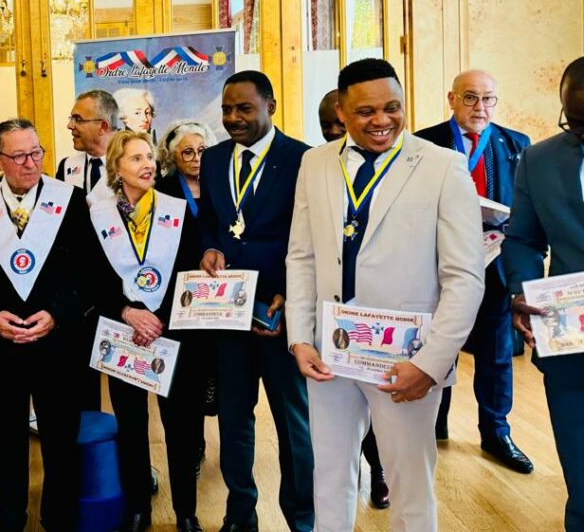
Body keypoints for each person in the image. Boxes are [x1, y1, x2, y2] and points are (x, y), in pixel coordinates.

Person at [286, 58, 484, 532]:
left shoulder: (443, 166)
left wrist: (431, 363)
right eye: (366, 112)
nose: (382, 121)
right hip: (330, 354)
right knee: (329, 476)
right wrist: (300, 338)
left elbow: (465, 277)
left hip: (405, 360)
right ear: (341, 110)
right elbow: (302, 257)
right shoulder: (315, 162)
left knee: (409, 484)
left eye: (393, 108)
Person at [0, 119, 98, 532]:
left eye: (36, 153)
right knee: (6, 436)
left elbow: (87, 273)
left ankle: (58, 516)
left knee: (59, 436)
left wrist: (56, 313)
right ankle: (11, 518)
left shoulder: (69, 200)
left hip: (58, 342)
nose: (31, 163)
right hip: (3, 345)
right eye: (18, 156)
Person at [198, 71, 314, 532]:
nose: (233, 119)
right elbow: (210, 220)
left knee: (293, 425)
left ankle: (302, 517)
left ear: (270, 105)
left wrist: (290, 298)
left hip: (279, 312)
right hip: (227, 311)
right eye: (227, 110)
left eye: (244, 108)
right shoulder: (213, 159)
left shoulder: (304, 159)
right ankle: (240, 512)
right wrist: (209, 245)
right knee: (233, 419)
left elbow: (309, 238)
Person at [415, 69, 533, 472]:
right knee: (437, 347)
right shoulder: (422, 143)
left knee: (497, 355)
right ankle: (434, 425)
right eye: (469, 98)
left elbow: (526, 215)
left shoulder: (517, 145)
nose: (479, 108)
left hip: (495, 269)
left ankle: (496, 431)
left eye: (488, 99)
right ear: (451, 99)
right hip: (438, 268)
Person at [92, 131, 206, 532]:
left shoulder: (178, 211)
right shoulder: (98, 215)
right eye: (136, 158)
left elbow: (190, 273)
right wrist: (127, 312)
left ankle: (186, 513)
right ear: (116, 167)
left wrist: (158, 320)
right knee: (132, 427)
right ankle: (138, 506)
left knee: (182, 427)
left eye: (150, 158)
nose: (147, 165)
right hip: (124, 333)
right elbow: (93, 278)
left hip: (173, 334)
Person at [503, 56, 584, 531]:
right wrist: (521, 291)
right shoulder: (539, 159)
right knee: (580, 470)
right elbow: (523, 239)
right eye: (574, 121)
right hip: (570, 344)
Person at [319, 89, 390, 510]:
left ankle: (379, 471)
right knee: (341, 422)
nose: (333, 131)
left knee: (383, 409)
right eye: (326, 124)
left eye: (338, 124)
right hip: (333, 318)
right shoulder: (319, 165)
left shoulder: (405, 165)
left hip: (384, 316)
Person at [156, 119, 218, 473]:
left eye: (202, 151)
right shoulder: (163, 190)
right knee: (185, 383)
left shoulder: (222, 186)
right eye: (187, 152)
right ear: (173, 157)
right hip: (179, 303)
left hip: (221, 302)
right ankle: (190, 446)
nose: (196, 159)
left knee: (216, 378)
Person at [56, 89, 120, 201]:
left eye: (78, 120)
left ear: (103, 127)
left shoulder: (138, 165)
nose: (70, 125)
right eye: (71, 119)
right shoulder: (66, 166)